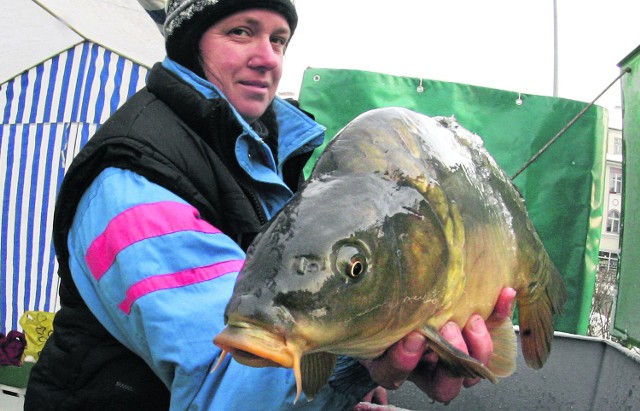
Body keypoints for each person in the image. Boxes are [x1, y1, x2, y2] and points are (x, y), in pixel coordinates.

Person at [25, 1, 516, 409]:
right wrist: (359, 363)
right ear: (190, 43)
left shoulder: (270, 162)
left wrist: (368, 378)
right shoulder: (134, 181)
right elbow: (225, 385)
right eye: (242, 32)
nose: (268, 58)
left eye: (278, 40)